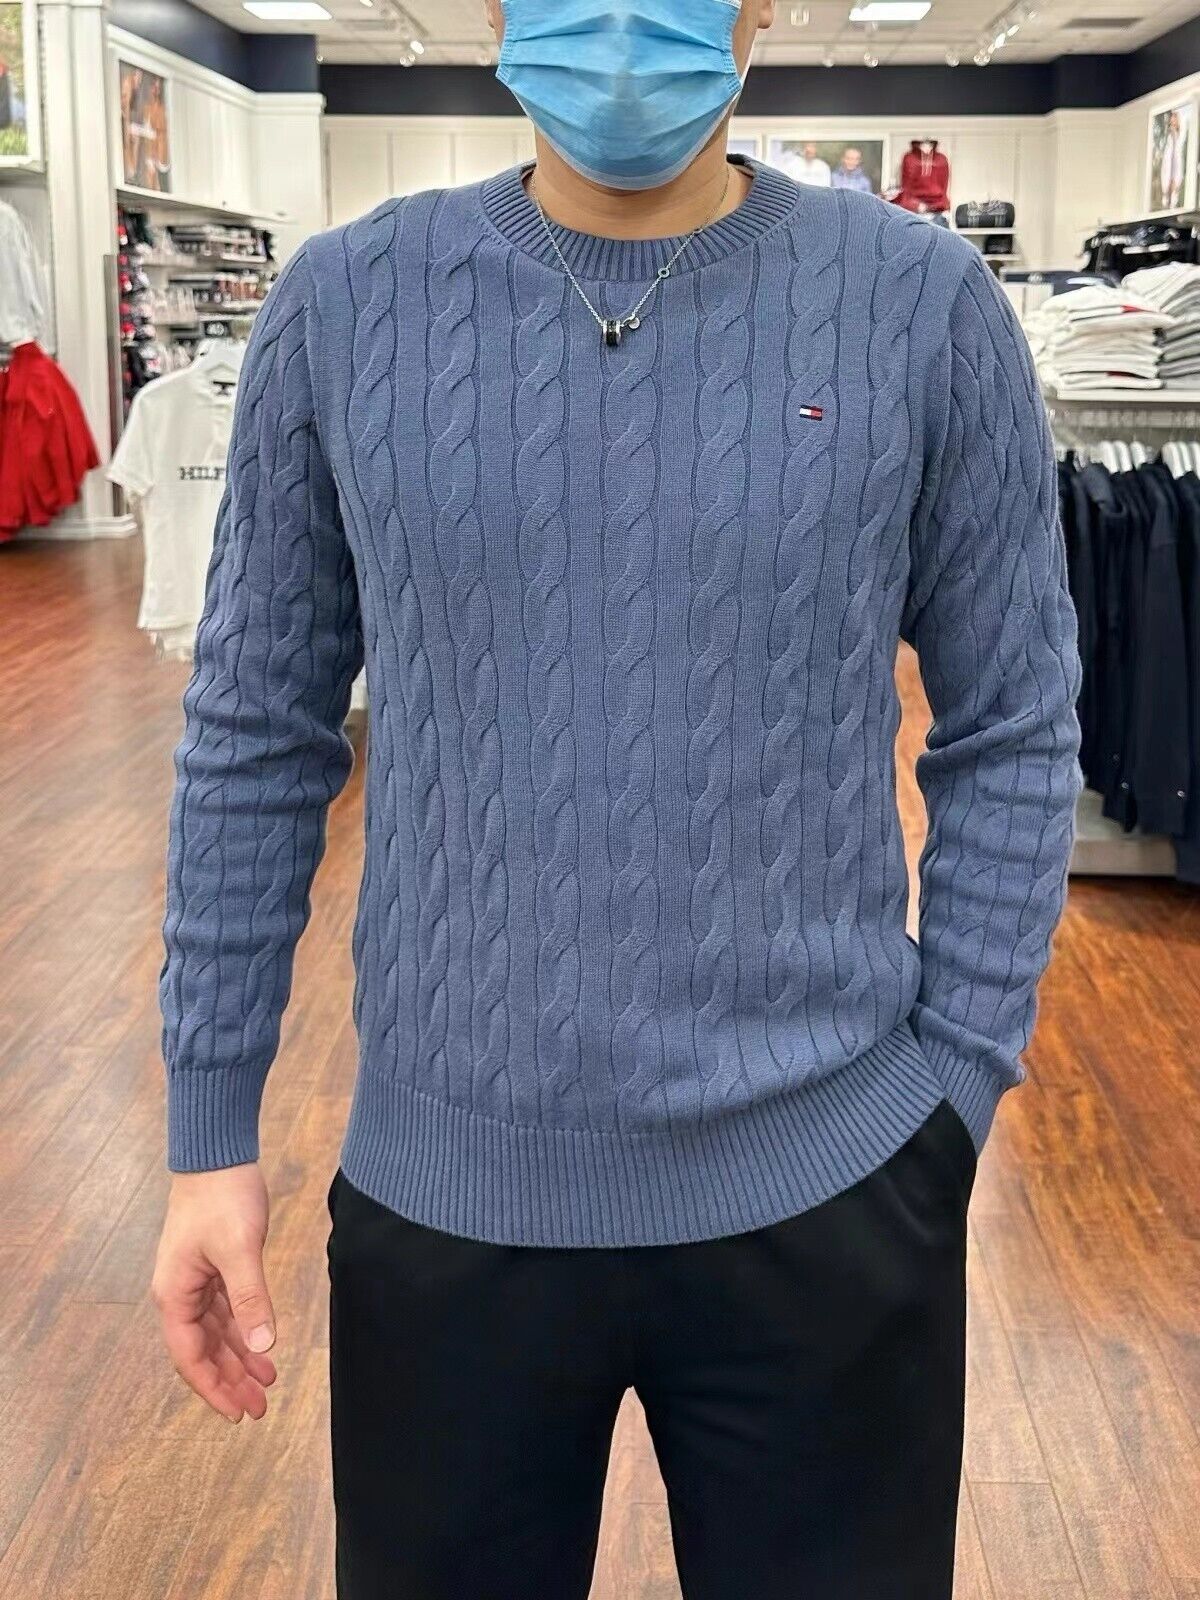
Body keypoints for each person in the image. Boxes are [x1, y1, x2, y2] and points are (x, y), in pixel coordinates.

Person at [150, 1, 1084, 1596]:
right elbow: (256, 725)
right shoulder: (347, 306)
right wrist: (208, 1130)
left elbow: (1013, 715)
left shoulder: (923, 306)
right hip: (450, 1198)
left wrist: (957, 1088)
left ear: (763, 8)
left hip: (838, 1189)